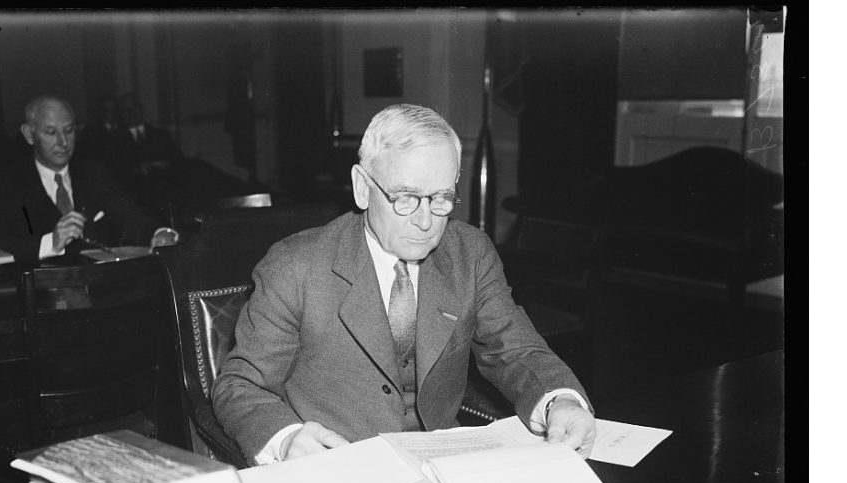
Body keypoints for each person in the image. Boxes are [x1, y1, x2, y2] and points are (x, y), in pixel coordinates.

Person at [211, 104, 597, 464]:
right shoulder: (296, 266)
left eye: (442, 198)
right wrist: (287, 439)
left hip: (442, 469)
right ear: (363, 187)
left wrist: (558, 401)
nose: (426, 221)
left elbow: (515, 350)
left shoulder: (469, 254)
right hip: (339, 469)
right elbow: (240, 386)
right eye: (406, 198)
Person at [0, 95, 172, 265]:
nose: (63, 142)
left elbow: (128, 216)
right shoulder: (6, 182)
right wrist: (51, 243)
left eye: (69, 131)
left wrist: (158, 233)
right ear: (29, 134)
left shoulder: (94, 173)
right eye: (51, 133)